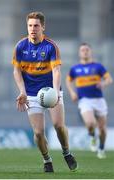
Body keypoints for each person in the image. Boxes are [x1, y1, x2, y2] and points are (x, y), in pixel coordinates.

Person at [11, 11, 77, 172]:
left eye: (36, 25)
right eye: (30, 25)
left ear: (43, 27)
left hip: (50, 91)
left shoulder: (50, 46)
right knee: (38, 132)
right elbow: (16, 71)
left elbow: (56, 71)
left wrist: (55, 92)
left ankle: (66, 153)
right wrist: (22, 92)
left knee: (58, 126)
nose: (33, 29)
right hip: (32, 95)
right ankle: (47, 160)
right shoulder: (20, 46)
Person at [66, 43, 113, 159]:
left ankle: (101, 148)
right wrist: (72, 92)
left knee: (102, 129)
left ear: (90, 52)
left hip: (99, 100)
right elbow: (68, 81)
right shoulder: (75, 69)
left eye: (87, 50)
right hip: (85, 100)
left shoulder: (98, 67)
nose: (85, 52)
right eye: (82, 50)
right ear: (79, 53)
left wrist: (103, 83)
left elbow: (109, 79)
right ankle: (92, 136)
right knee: (90, 123)